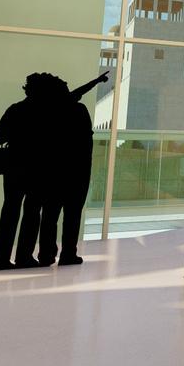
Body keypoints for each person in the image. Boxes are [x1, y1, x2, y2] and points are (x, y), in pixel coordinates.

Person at [35, 71, 110, 267]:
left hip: (53, 173)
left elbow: (78, 92)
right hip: (76, 173)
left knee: (49, 216)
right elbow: (86, 142)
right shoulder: (78, 110)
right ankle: (68, 253)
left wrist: (96, 81)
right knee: (72, 216)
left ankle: (46, 254)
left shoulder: (47, 112)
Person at [0, 72, 61, 270]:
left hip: (13, 166)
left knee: (10, 210)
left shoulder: (15, 109)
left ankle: (0, 258)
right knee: (32, 211)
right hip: (37, 167)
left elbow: (0, 136)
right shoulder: (47, 113)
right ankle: (24, 256)